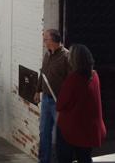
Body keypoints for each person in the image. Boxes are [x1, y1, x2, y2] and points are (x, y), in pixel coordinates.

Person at [56, 44, 106, 163]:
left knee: (64, 157)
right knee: (85, 158)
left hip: (72, 127)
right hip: (88, 128)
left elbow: (60, 104)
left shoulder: (73, 79)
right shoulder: (94, 76)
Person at [34, 29, 70, 163]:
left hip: (58, 102)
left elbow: (71, 81)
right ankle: (44, 160)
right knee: (44, 132)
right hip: (46, 99)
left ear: (54, 40)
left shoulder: (66, 57)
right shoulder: (47, 55)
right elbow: (43, 73)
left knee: (59, 135)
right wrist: (38, 91)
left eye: (46, 39)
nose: (44, 42)